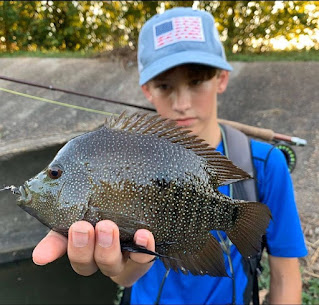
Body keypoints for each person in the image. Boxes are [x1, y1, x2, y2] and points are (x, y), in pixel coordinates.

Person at [32, 7, 307, 304]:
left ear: (222, 79)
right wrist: (126, 265)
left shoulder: (265, 165)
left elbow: (285, 276)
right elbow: (124, 277)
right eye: (165, 86)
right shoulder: (123, 157)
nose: (182, 103)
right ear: (147, 90)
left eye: (196, 81)